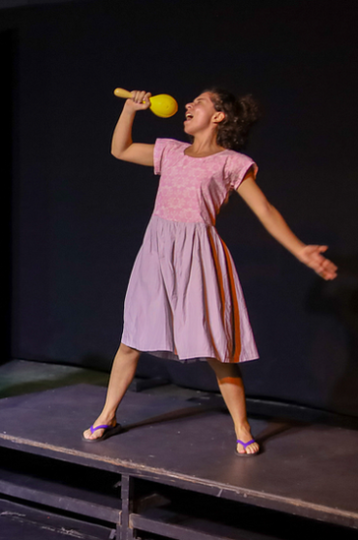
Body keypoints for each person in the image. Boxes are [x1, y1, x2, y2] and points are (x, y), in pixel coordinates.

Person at [82, 89, 338, 456]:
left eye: (198, 102)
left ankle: (242, 426)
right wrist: (129, 110)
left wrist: (299, 249)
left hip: (198, 254)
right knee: (132, 336)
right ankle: (108, 415)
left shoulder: (231, 162)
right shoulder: (170, 150)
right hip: (157, 250)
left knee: (215, 345)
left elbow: (264, 209)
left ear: (218, 116)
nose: (187, 105)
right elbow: (120, 150)